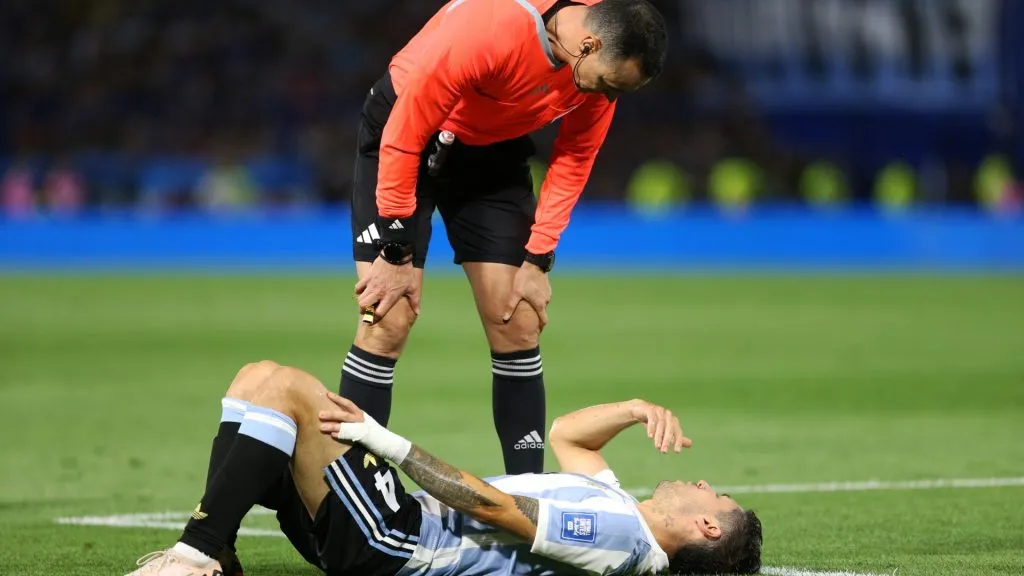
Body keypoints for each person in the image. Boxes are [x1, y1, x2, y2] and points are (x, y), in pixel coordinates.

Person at [341, 0, 669, 476]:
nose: (606, 97)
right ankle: (353, 493)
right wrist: (395, 248)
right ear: (588, 45)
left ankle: (530, 498)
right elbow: (405, 132)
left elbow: (575, 157)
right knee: (386, 318)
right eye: (606, 84)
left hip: (490, 152)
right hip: (407, 130)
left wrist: (538, 261)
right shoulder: (491, 27)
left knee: (517, 319)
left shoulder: (601, 66)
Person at [125, 361, 762, 576]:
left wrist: (387, 442)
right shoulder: (623, 511)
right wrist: (634, 407)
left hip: (402, 545)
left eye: (717, 496)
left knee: (285, 389)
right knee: (257, 379)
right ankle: (218, 557)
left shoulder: (623, 541)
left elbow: (494, 509)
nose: (704, 482)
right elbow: (569, 435)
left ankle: (198, 550)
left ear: (707, 528)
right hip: (395, 527)